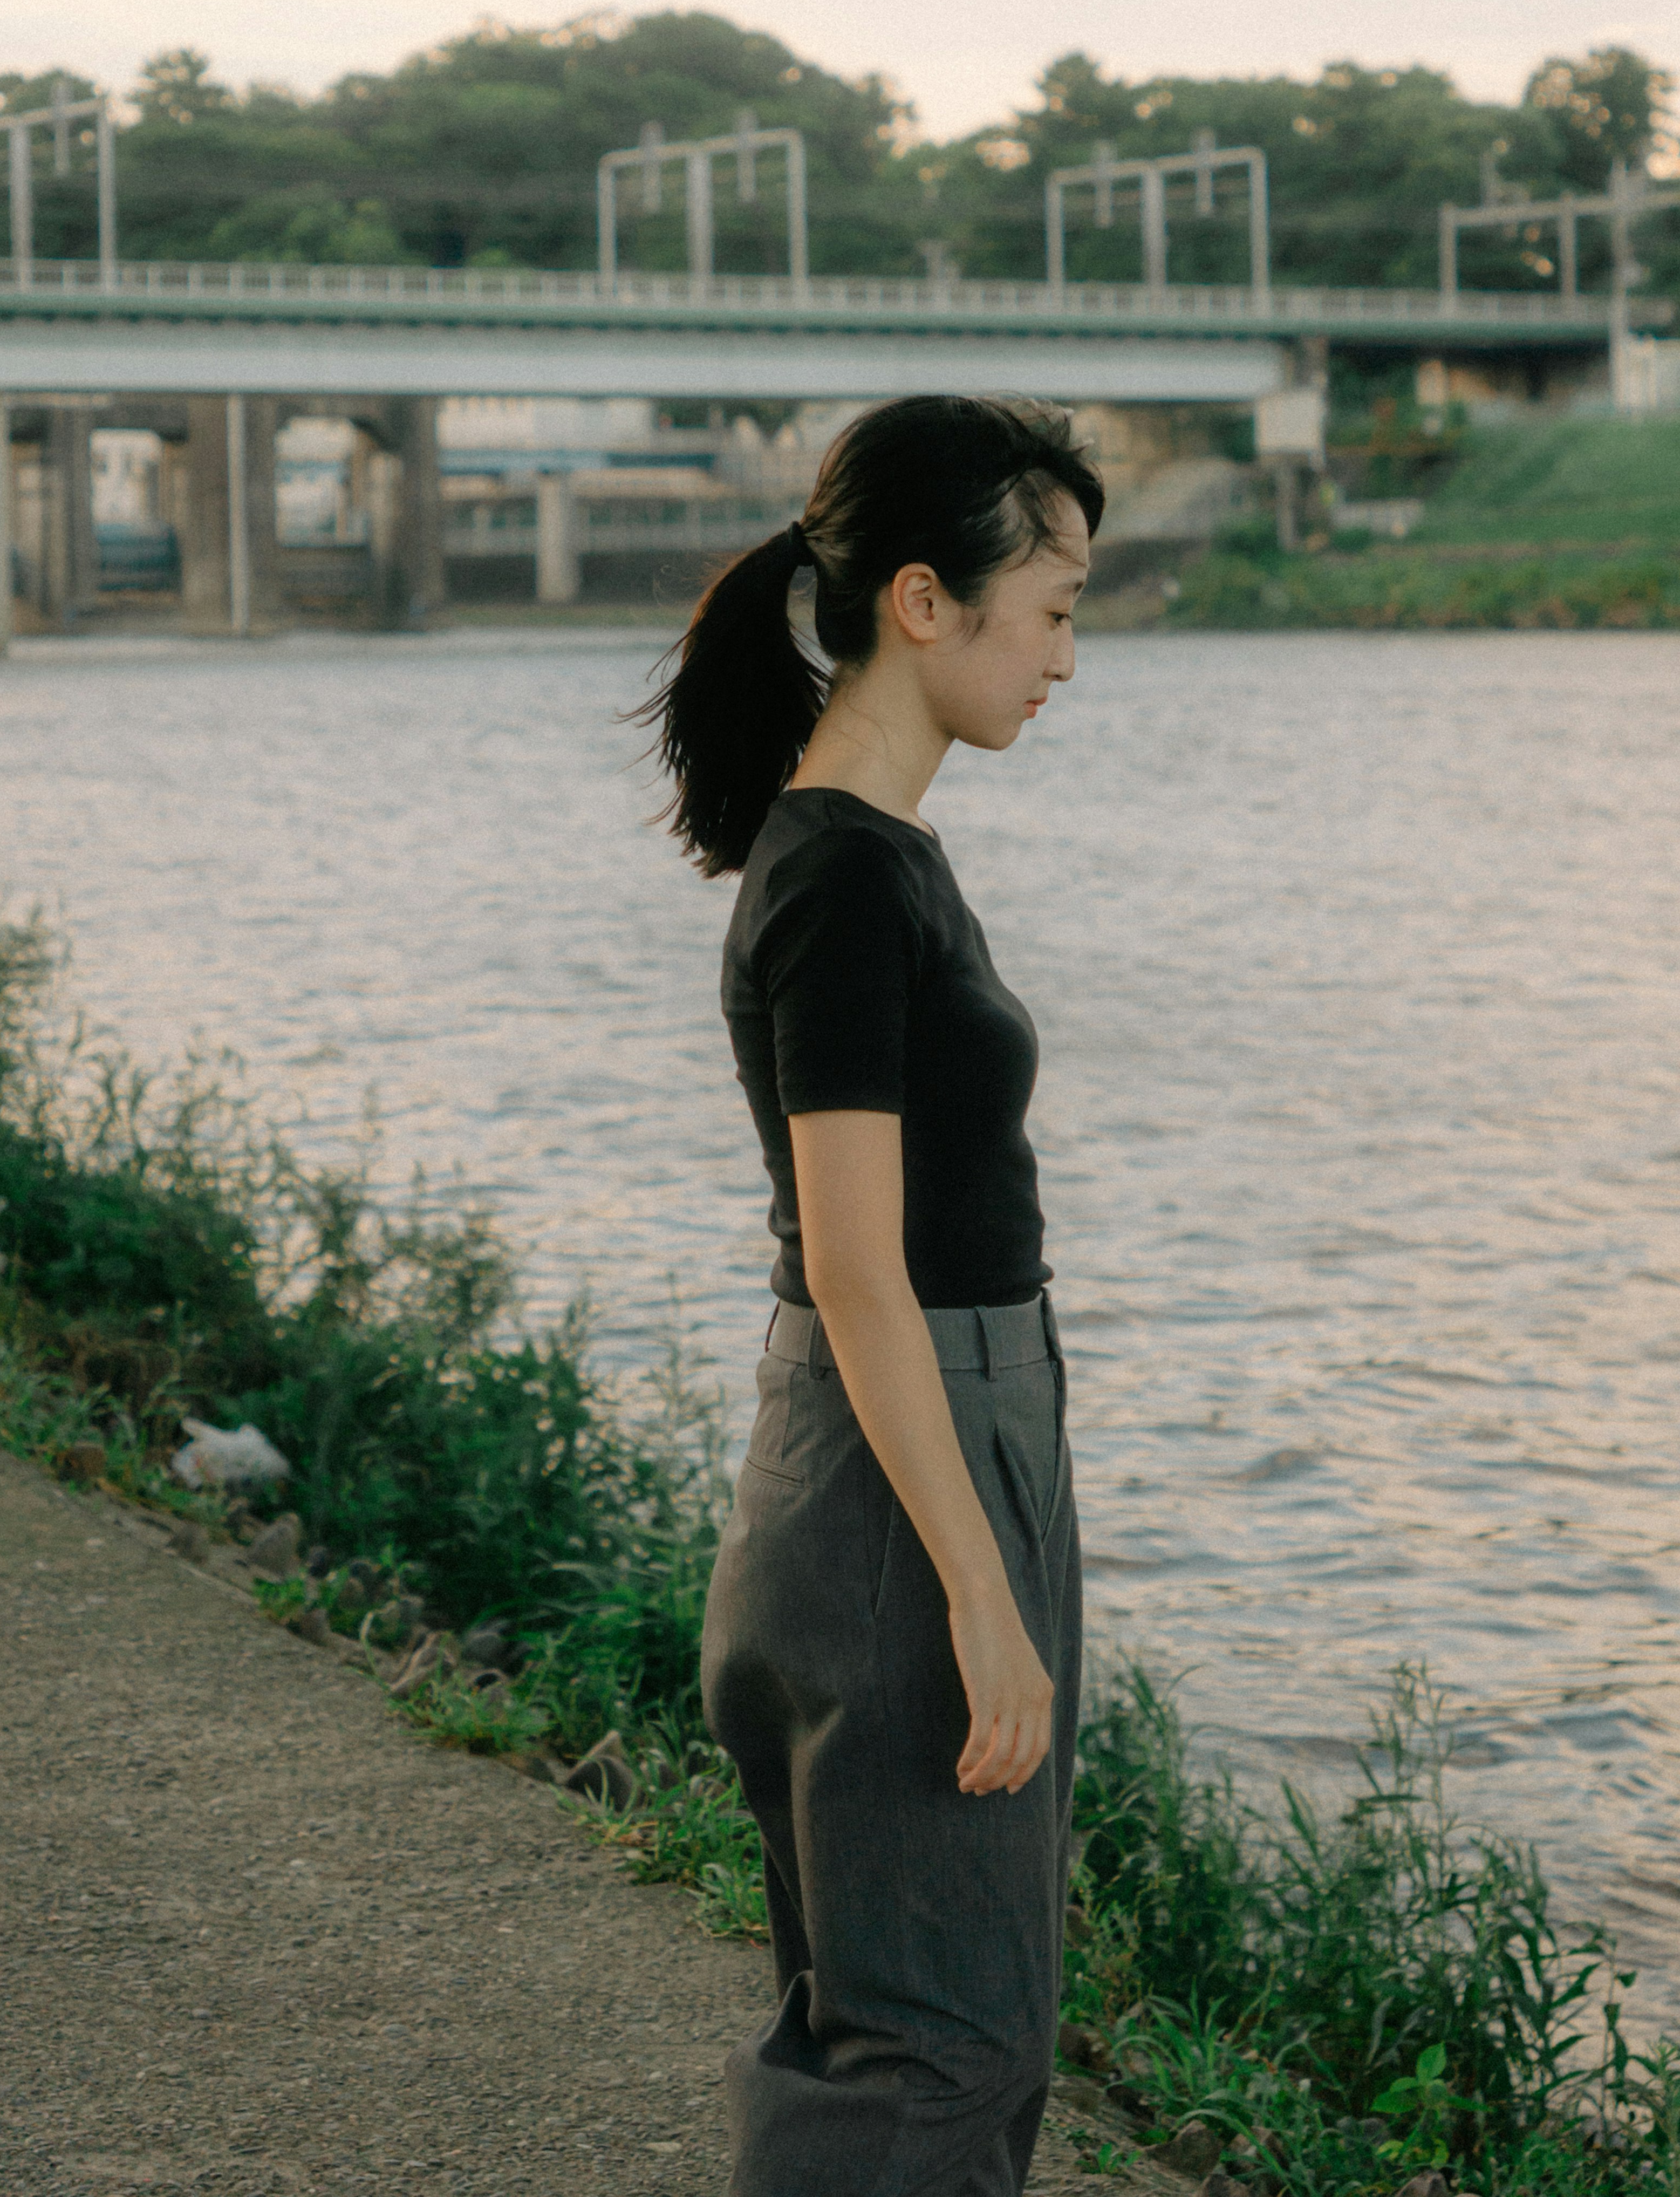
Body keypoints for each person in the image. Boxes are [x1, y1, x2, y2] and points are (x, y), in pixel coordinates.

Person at [646, 393, 1104, 2196]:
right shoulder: (842, 871)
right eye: (1053, 607)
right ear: (925, 601)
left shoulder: (871, 854)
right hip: (905, 1465)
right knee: (935, 2045)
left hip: (928, 1437)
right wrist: (980, 1597)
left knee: (922, 2022)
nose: (1069, 655)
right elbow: (855, 1262)